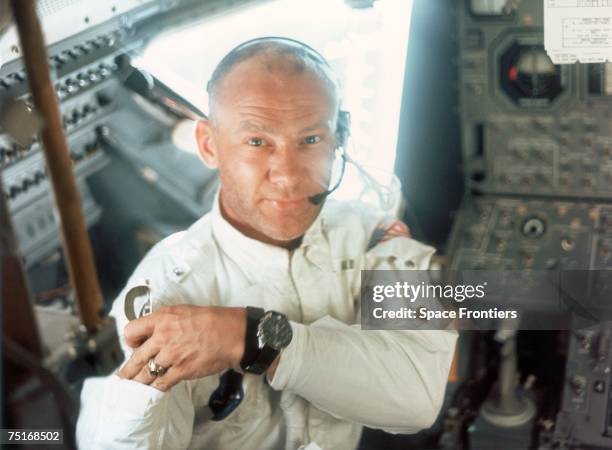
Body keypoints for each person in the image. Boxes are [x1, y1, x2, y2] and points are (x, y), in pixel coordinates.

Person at [76, 37, 458, 449]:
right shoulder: (168, 288)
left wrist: (251, 338)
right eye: (258, 142)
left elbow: (416, 395)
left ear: (338, 138)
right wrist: (141, 396)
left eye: (311, 140)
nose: (289, 175)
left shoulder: (372, 237)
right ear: (209, 145)